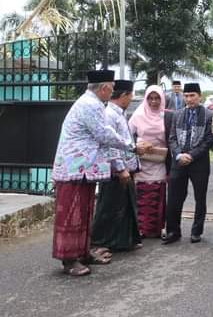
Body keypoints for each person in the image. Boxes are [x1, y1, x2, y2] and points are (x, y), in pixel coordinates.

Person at [51, 70, 146, 277]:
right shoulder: (90, 105)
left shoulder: (94, 104)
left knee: (85, 213)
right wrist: (132, 147)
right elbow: (104, 135)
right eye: (111, 88)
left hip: (82, 169)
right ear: (103, 88)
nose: (112, 92)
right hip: (72, 169)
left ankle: (82, 253)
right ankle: (69, 259)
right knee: (72, 215)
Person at [90, 79, 143, 252]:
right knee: (109, 206)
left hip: (125, 168)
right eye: (131, 95)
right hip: (116, 171)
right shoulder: (110, 114)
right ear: (124, 95)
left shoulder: (119, 113)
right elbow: (110, 144)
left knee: (125, 205)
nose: (131, 98)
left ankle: (122, 241)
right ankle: (100, 241)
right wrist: (120, 168)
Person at [164, 82, 213, 245]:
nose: (189, 99)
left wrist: (191, 155)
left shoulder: (208, 115)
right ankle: (173, 231)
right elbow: (171, 138)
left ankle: (196, 231)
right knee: (174, 198)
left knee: (200, 198)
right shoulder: (177, 114)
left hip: (198, 162)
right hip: (178, 162)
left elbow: (208, 140)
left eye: (193, 95)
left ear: (200, 96)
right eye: (186, 96)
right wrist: (178, 154)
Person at [129, 85, 174, 239]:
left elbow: (171, 137)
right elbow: (128, 137)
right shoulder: (138, 115)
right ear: (146, 99)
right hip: (142, 162)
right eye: (150, 98)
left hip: (160, 160)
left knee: (157, 195)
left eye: (157, 98)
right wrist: (140, 144)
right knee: (142, 196)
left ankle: (157, 228)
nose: (154, 102)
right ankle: (141, 228)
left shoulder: (167, 116)